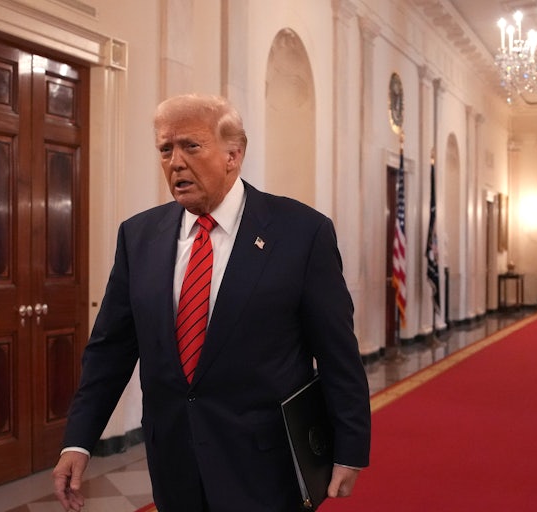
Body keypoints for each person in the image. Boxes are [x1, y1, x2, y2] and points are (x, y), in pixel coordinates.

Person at [52, 94, 371, 512]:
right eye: (165, 149)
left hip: (264, 463)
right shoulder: (139, 237)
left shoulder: (301, 232)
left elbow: (336, 351)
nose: (175, 162)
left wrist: (349, 447)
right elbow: (110, 350)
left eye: (191, 146)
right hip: (174, 461)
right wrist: (79, 440)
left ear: (233, 155)